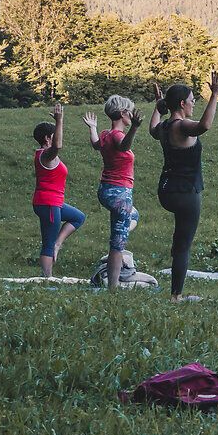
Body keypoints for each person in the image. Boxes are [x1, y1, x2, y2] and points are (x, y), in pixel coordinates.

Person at [149, 71, 218, 302]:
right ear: (182, 104)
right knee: (183, 245)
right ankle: (176, 296)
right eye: (191, 100)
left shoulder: (165, 127)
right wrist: (214, 95)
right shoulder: (181, 126)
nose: (193, 104)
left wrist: (159, 107)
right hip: (185, 192)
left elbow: (152, 128)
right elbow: (205, 125)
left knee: (179, 241)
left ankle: (176, 280)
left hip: (166, 190)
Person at [84, 96, 142, 291]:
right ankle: (113, 288)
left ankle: (119, 235)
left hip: (107, 191)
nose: (132, 116)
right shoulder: (117, 136)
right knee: (117, 244)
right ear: (123, 114)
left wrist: (92, 127)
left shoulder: (106, 134)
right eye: (130, 112)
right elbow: (124, 145)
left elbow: (95, 144)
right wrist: (134, 128)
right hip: (120, 193)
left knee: (133, 217)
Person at [31, 104, 84, 276]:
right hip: (48, 203)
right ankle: (47, 279)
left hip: (54, 203)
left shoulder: (46, 155)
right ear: (48, 138)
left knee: (78, 217)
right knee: (47, 242)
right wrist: (59, 120)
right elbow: (58, 146)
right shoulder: (46, 155)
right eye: (54, 135)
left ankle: (57, 244)